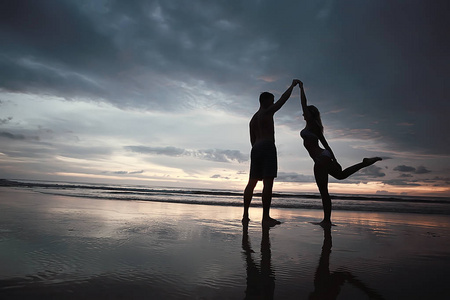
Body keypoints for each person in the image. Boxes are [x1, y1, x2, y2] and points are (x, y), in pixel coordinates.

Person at [299, 81, 382, 226]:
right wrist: (334, 159)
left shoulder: (312, 124)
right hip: (324, 156)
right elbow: (326, 144)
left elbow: (303, 103)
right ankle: (364, 163)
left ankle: (326, 221)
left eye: (305, 112)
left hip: (320, 159)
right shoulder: (316, 127)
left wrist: (301, 87)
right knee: (341, 175)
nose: (303, 114)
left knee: (324, 192)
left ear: (310, 114)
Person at [242, 79, 300, 227]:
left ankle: (245, 215)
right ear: (265, 101)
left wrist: (257, 151)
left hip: (255, 149)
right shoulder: (267, 112)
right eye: (271, 100)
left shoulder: (252, 119)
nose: (273, 103)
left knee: (252, 182)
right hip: (267, 146)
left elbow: (252, 140)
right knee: (268, 183)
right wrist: (292, 86)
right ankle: (265, 217)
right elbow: (283, 100)